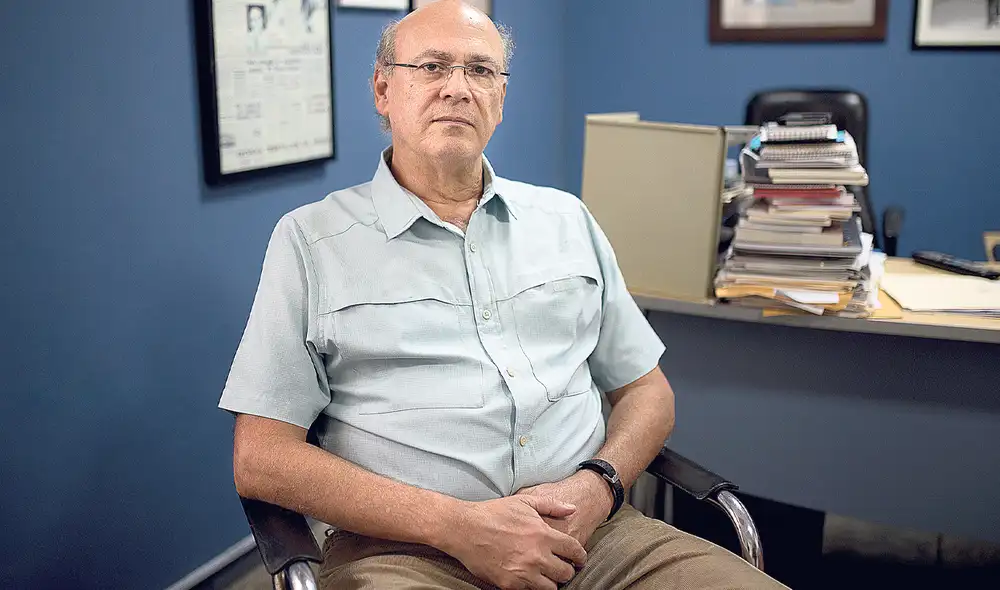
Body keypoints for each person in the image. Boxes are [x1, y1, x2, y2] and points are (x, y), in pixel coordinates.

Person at [219, 1, 788, 588]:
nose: (458, 89)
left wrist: (598, 486)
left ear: (500, 98)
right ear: (383, 91)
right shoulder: (311, 241)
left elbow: (647, 392)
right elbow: (262, 457)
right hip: (407, 551)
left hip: (597, 536)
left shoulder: (567, 220)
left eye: (481, 71)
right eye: (433, 67)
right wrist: (456, 525)